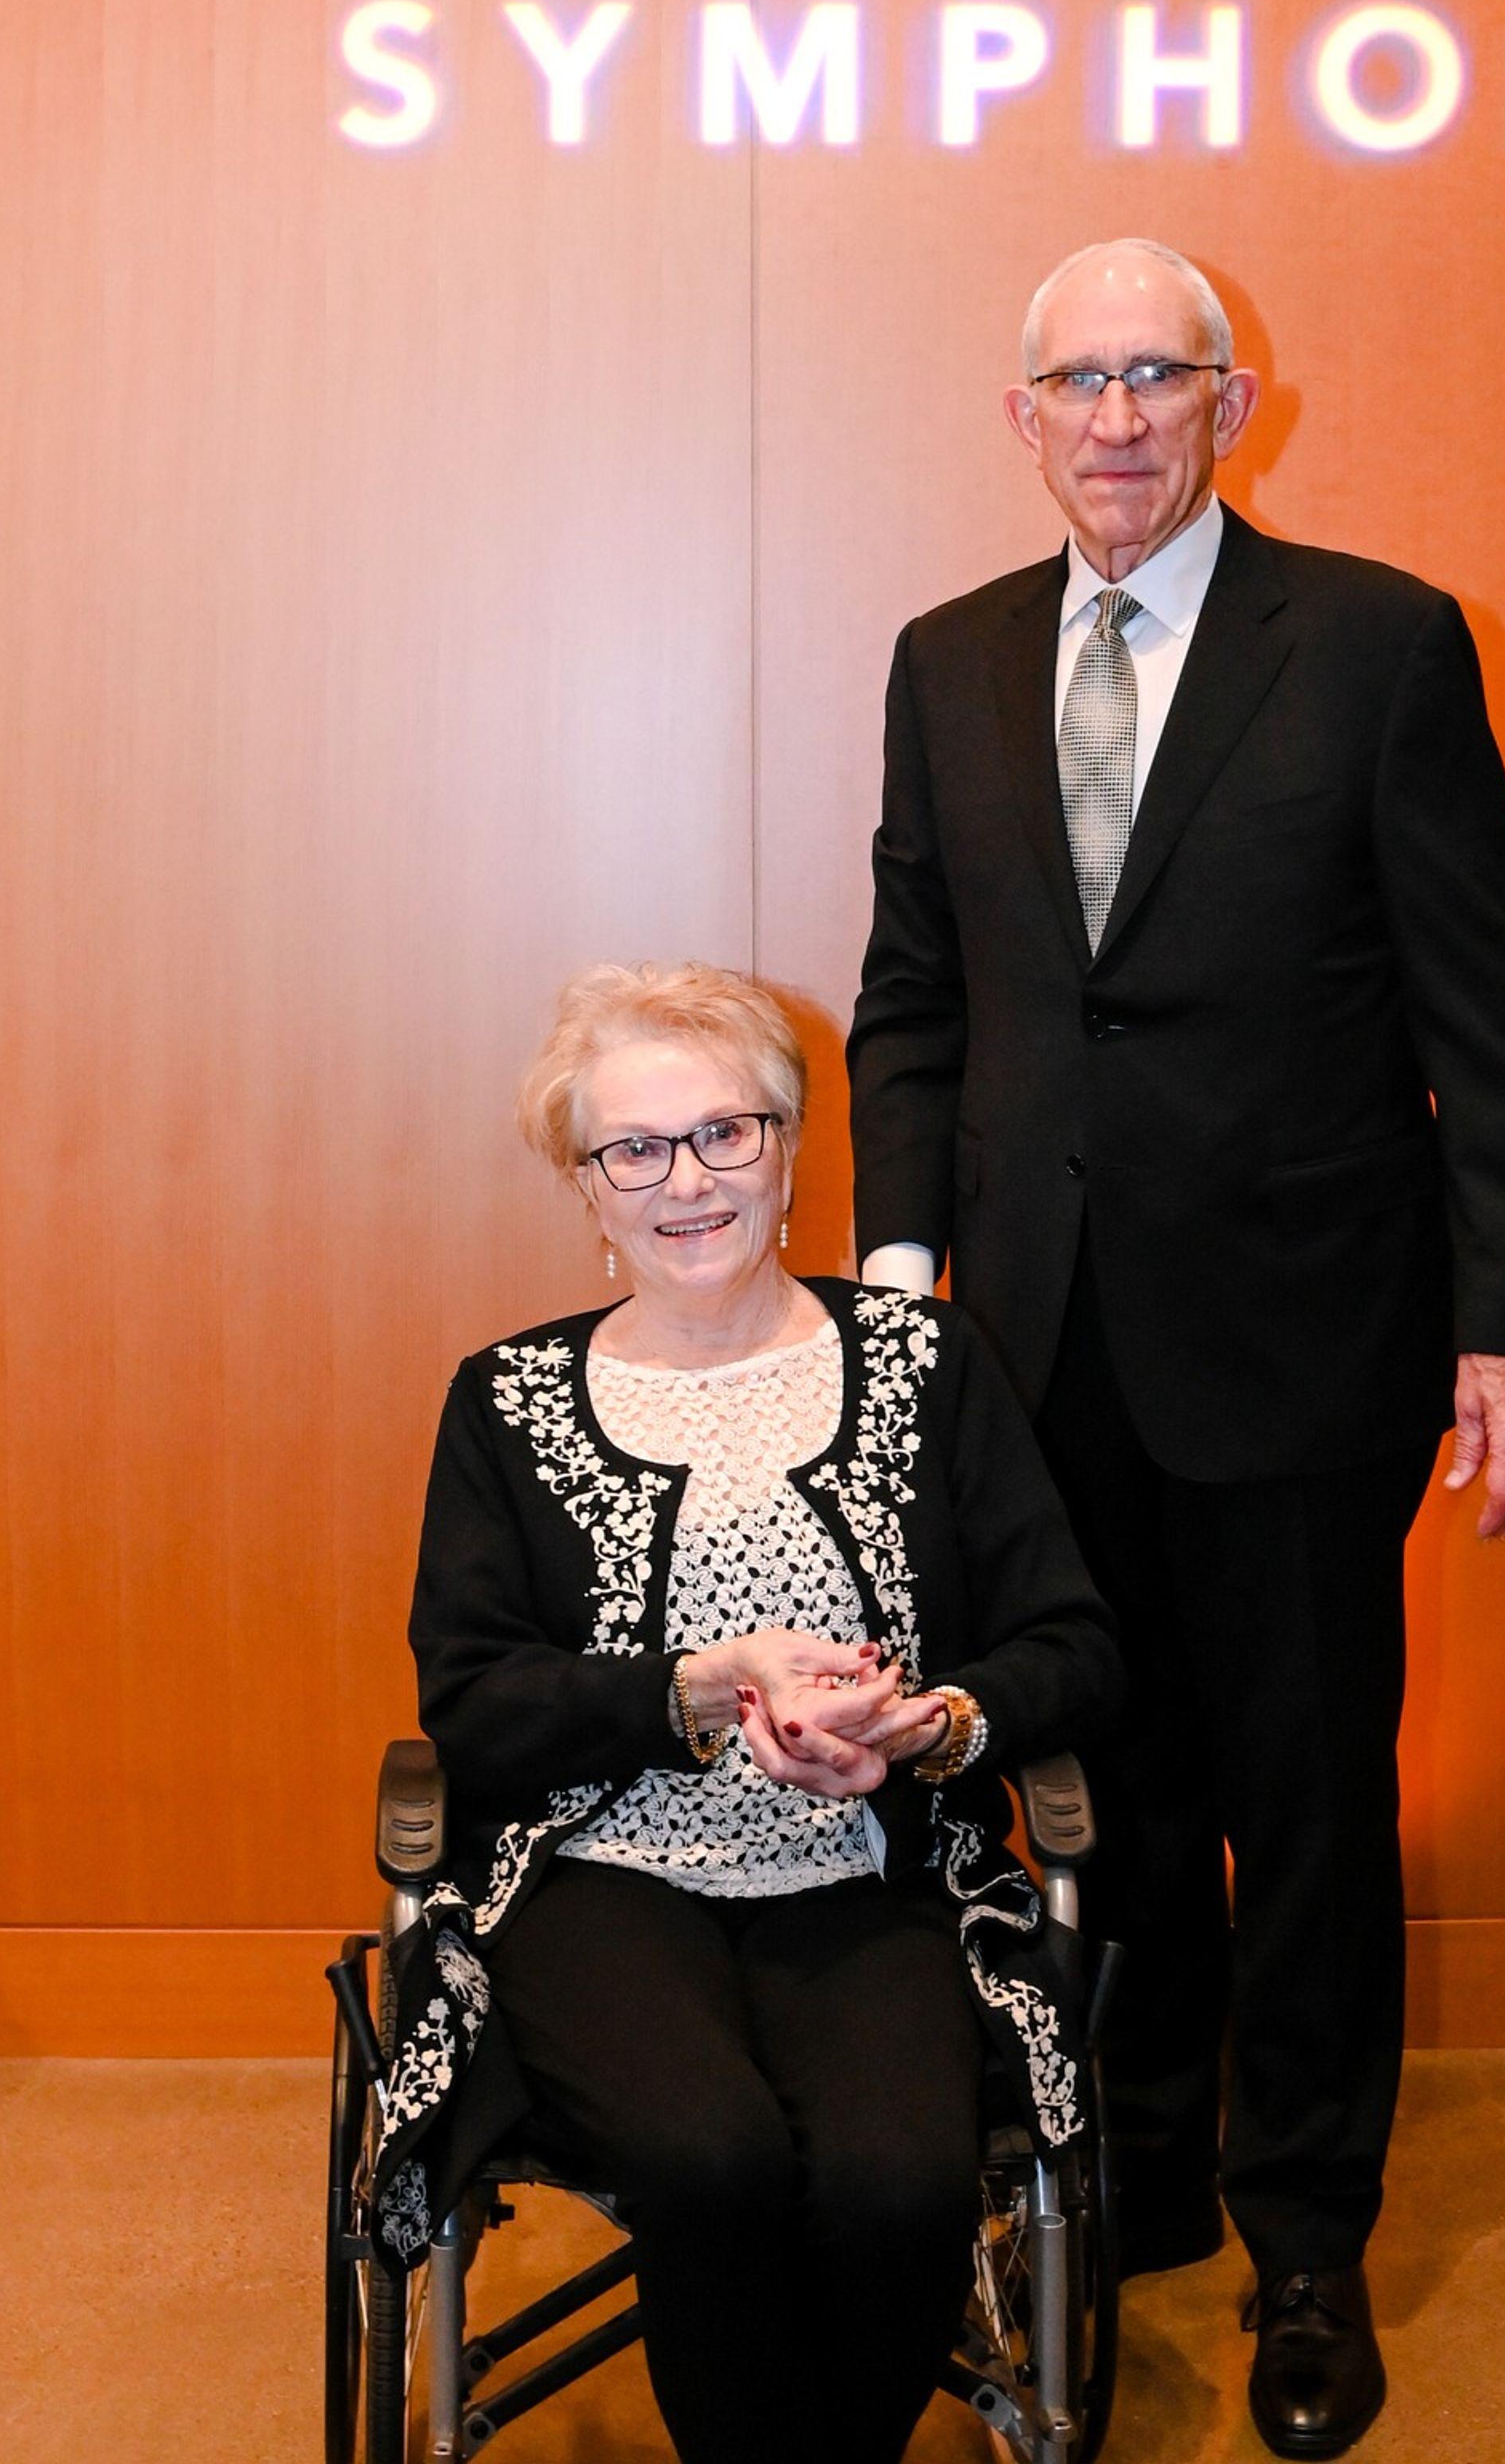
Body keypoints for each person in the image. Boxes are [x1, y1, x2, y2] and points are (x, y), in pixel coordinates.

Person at [847, 238, 1505, 2461]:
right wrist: (895, 1282)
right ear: (1019, 418)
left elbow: (1482, 1021)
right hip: (1035, 1352)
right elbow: (913, 996)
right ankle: (1135, 2184)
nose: (1116, 417)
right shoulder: (946, 661)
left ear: (1230, 402)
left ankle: (1307, 2246)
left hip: (1300, 1345)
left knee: (1302, 1805)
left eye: (1158, 375)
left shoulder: (1372, 644)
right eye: (1073, 380)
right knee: (1102, 1794)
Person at [377, 961, 1122, 2464]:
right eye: (633, 1149)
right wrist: (698, 1689)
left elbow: (1072, 1644)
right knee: (704, 2157)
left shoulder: (928, 1365)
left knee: (900, 2176)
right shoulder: (504, 1399)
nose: (685, 1182)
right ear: (586, 1185)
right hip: (597, 1873)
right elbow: (471, 1703)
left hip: (872, 1868)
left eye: (726, 1133)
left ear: (789, 1148)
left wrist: (939, 1728)